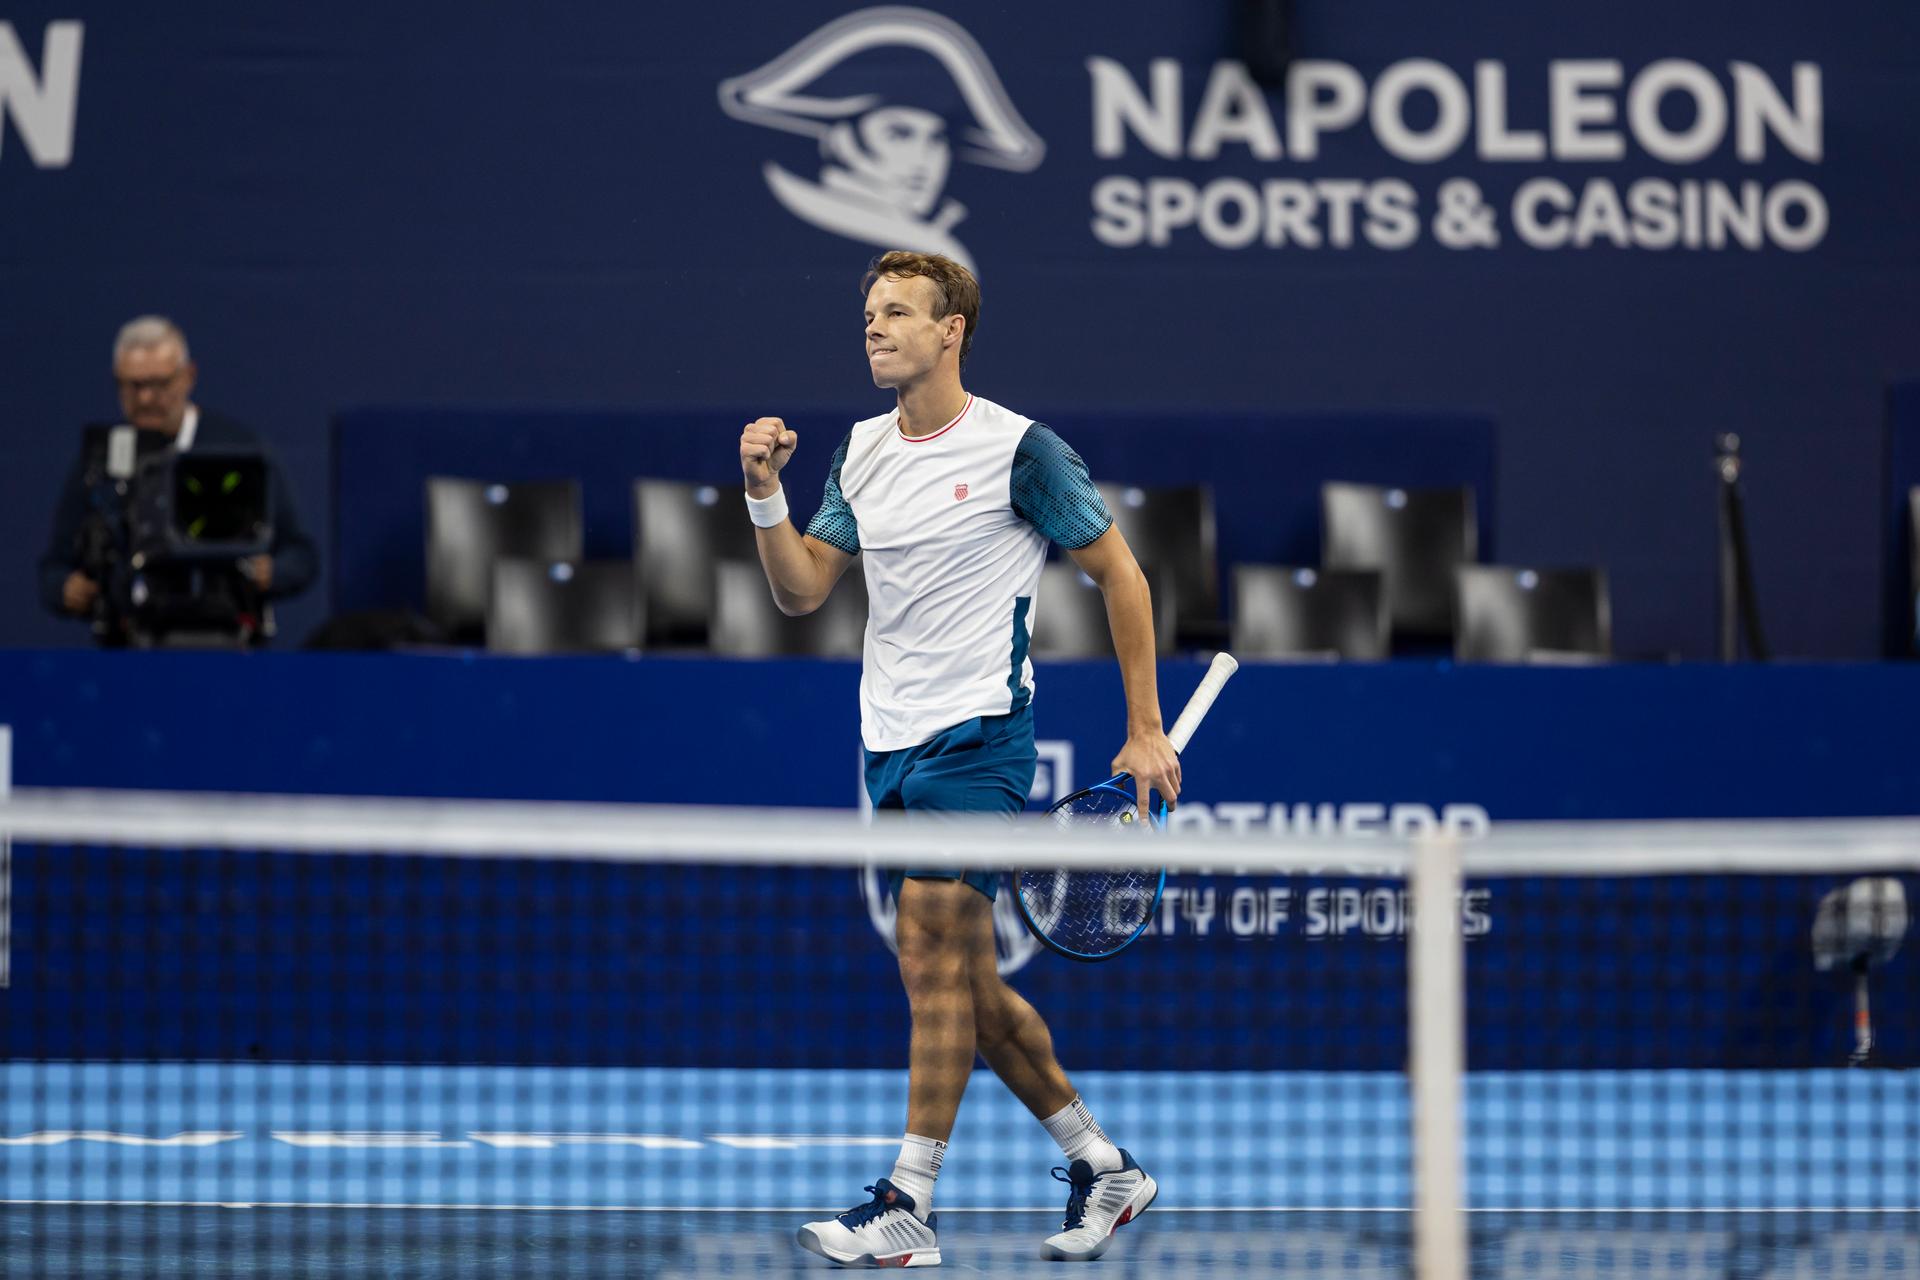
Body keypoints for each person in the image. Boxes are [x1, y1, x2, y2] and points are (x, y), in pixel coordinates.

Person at [739, 251, 1180, 1268]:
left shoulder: (1022, 450)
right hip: (887, 742)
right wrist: (764, 494)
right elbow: (802, 588)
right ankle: (1102, 1162)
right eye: (869, 311)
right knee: (961, 986)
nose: (875, 326)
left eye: (898, 311)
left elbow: (1121, 573)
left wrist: (1144, 723)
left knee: (933, 949)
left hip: (981, 735)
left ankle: (907, 1202)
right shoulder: (858, 451)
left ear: (953, 331)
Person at [39, 316, 318, 642]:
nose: (145, 399)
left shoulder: (240, 451)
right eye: (133, 386)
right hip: (129, 645)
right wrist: (66, 589)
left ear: (188, 377)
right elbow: (54, 568)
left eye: (159, 384)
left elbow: (301, 557)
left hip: (226, 637)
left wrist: (269, 573)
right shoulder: (103, 461)